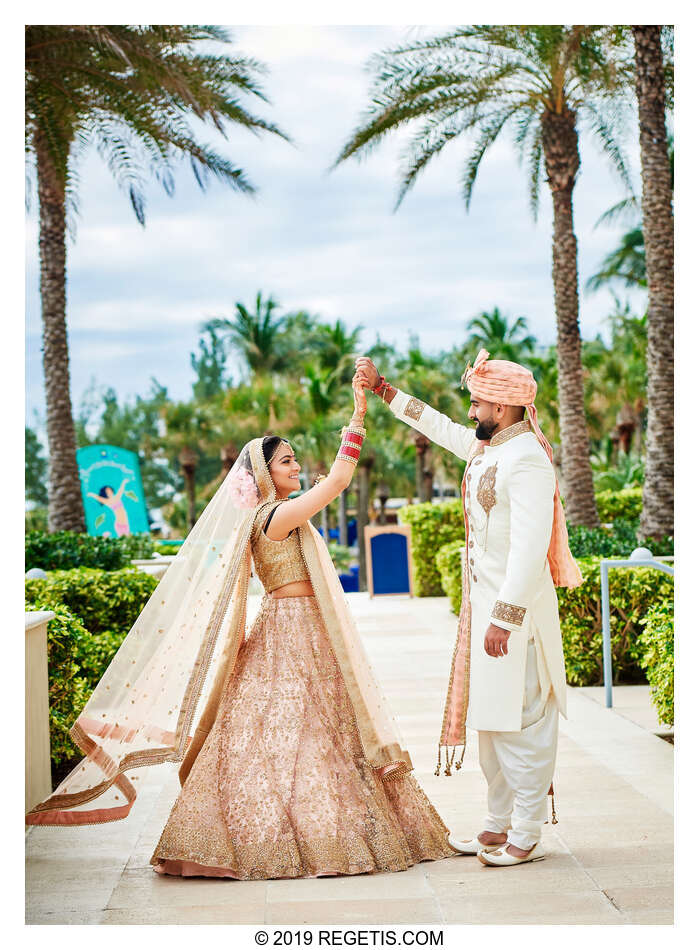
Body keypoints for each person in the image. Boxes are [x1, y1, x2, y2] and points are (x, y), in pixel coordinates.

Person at [26, 378, 457, 881]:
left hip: (307, 631)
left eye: (296, 460)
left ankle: (325, 826)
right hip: (289, 634)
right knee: (281, 735)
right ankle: (266, 835)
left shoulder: (277, 513)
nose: (296, 468)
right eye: (286, 462)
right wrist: (358, 417)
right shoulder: (272, 516)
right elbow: (338, 482)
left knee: (319, 734)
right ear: (265, 475)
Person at [354, 349, 582, 868]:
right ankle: (495, 824)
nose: (471, 411)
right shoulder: (490, 449)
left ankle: (526, 831)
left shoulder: (526, 460)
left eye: (477, 403)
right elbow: (442, 428)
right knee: (492, 720)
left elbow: (529, 547)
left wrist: (505, 617)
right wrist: (386, 391)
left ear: (502, 408)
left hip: (514, 618)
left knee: (522, 719)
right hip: (486, 613)